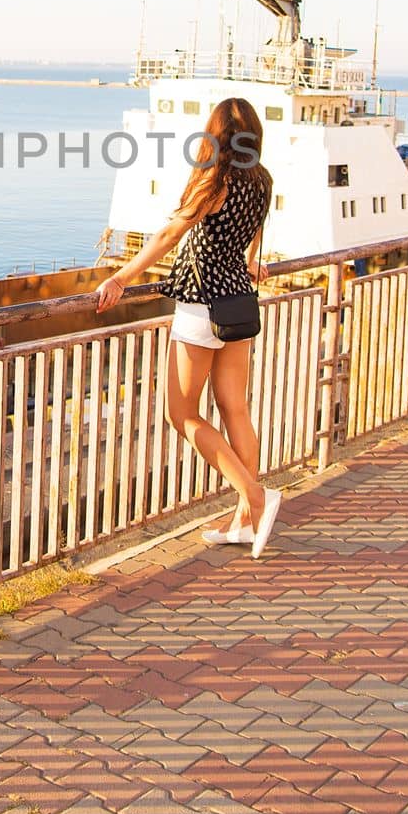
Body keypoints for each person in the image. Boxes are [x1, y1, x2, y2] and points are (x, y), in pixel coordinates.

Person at [95, 96, 281, 559]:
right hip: (239, 300)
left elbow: (168, 235)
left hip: (202, 306)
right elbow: (256, 231)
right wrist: (252, 260)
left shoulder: (213, 180)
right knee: (235, 408)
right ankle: (244, 519)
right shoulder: (261, 180)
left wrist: (121, 276)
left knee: (182, 414)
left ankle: (256, 497)